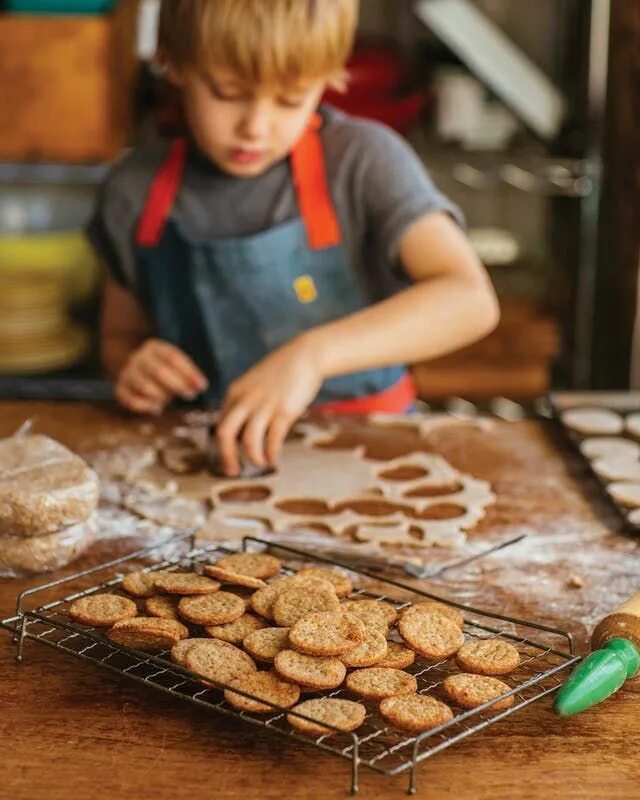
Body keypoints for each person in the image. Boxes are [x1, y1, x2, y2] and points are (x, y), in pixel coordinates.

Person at [89, 0, 499, 477]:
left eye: (290, 99)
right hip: (208, 464)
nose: (255, 127)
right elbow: (119, 338)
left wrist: (311, 356)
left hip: (368, 452)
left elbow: (470, 299)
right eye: (227, 93)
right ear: (174, 64)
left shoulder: (362, 162)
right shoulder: (133, 190)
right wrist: (135, 367)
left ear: (329, 78)